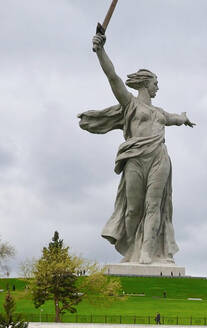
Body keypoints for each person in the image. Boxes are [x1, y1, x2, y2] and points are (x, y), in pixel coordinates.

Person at [80, 32, 196, 265]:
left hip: (159, 159)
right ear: (145, 83)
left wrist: (183, 118)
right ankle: (132, 248)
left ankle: (147, 252)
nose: (157, 88)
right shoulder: (130, 103)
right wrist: (101, 51)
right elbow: (112, 77)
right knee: (133, 209)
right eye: (155, 83)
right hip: (135, 159)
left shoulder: (160, 113)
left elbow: (174, 118)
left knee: (154, 206)